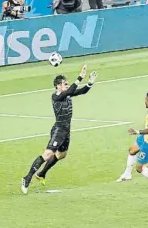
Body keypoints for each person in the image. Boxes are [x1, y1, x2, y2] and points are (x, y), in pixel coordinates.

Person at [21, 65, 98, 194]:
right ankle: (26, 178)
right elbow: (69, 91)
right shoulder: (56, 96)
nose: (67, 85)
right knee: (47, 154)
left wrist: (89, 83)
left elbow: (81, 91)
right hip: (59, 130)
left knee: (62, 154)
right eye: (64, 83)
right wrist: (80, 77)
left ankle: (41, 174)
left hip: (66, 130)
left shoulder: (67, 94)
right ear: (58, 86)